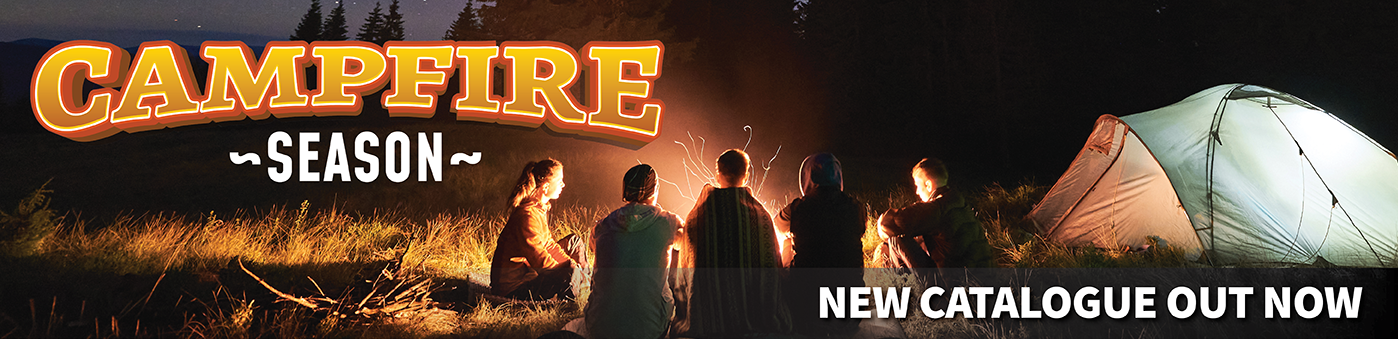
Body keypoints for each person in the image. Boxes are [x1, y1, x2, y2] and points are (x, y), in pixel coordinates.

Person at [679, 149, 791, 337]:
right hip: (753, 311)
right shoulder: (759, 215)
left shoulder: (697, 214)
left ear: (718, 174)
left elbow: (686, 264)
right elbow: (771, 266)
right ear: (746, 176)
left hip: (708, 314)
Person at [583, 164, 684, 339]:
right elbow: (689, 248)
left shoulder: (602, 225)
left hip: (599, 325)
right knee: (676, 252)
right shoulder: (669, 222)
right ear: (656, 189)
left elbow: (594, 252)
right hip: (650, 327)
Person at [776, 153, 867, 336]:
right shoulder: (856, 207)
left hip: (807, 305)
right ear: (838, 177)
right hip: (850, 308)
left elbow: (778, 224)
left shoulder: (797, 207)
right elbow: (860, 230)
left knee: (786, 241)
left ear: (807, 177)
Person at [490, 159, 588, 300]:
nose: (563, 185)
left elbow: (549, 245)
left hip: (529, 274)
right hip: (515, 288)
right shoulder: (527, 215)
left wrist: (571, 264)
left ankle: (585, 285)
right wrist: (568, 270)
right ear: (546, 186)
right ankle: (574, 298)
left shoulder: (538, 209)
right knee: (569, 271)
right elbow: (539, 259)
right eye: (559, 180)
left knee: (574, 242)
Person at [874, 158, 994, 269]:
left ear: (928, 185)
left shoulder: (936, 208)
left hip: (953, 284)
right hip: (978, 279)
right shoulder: (957, 202)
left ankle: (903, 285)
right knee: (917, 237)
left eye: (917, 185)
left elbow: (890, 223)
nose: (917, 192)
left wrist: (882, 227)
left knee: (896, 240)